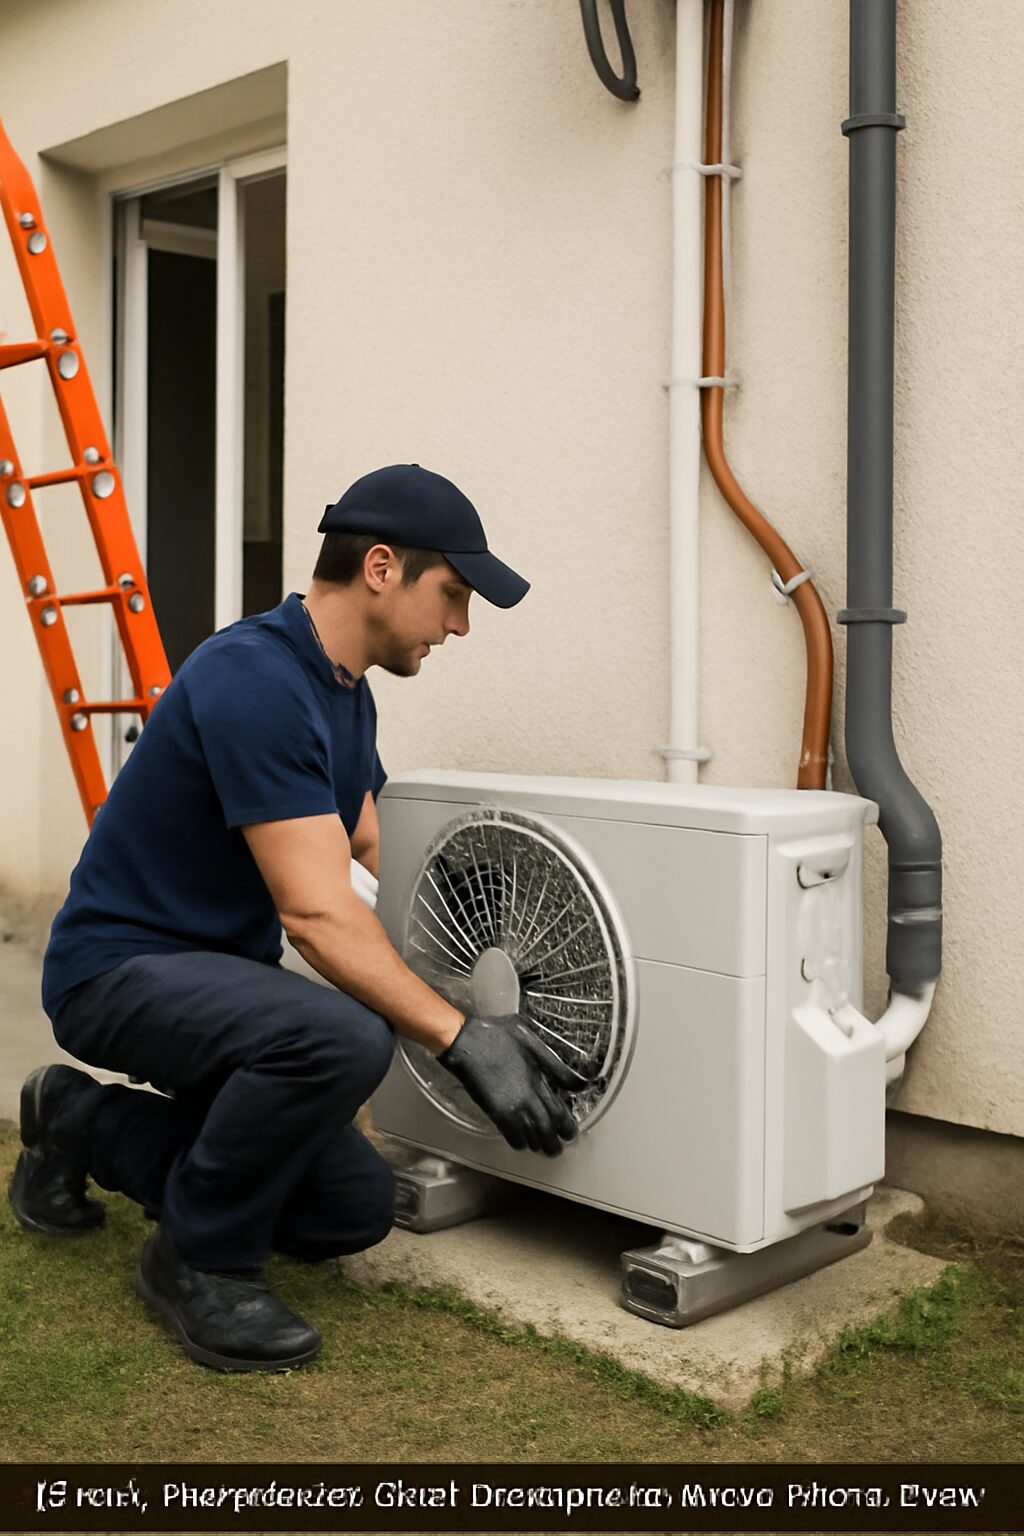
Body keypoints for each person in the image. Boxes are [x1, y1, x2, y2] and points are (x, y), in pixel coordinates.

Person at [9, 463, 583, 1373]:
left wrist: (500, 953)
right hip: (116, 971)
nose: (461, 625)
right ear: (383, 568)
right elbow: (314, 914)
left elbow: (367, 841)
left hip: (217, 983)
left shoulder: (343, 692)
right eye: (455, 593)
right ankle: (197, 1259)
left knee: (346, 1211)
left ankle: (81, 1120)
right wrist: (460, 1037)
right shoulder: (254, 677)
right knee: (344, 1036)